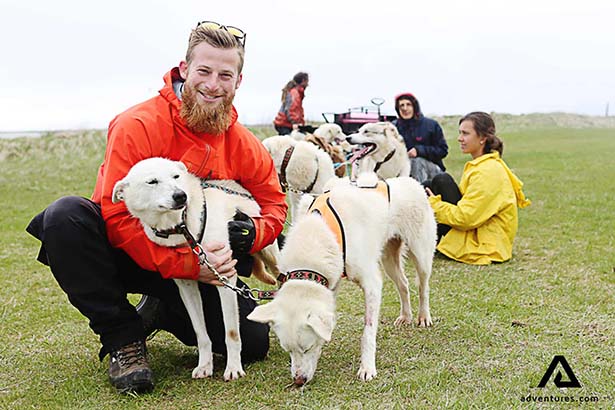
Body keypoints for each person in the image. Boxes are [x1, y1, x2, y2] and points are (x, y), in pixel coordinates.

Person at [25, 21, 287, 393]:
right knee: (66, 218)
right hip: (136, 255)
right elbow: (116, 215)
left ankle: (164, 308)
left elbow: (274, 204)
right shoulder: (137, 124)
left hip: (205, 263)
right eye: (204, 71)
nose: (213, 84)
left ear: (238, 82)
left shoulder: (245, 143)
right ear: (184, 69)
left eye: (225, 75)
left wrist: (254, 233)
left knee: (255, 343)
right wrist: (184, 265)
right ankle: (122, 337)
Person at [424, 112, 531, 265]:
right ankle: (419, 241)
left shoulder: (488, 171)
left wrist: (434, 205)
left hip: (485, 244)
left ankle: (416, 240)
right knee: (431, 184)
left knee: (441, 181)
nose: (459, 138)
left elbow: (466, 218)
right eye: (460, 133)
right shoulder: (483, 165)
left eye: (465, 133)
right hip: (479, 231)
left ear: (482, 138)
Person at [392, 92, 448, 182]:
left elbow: (443, 150)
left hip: (432, 170)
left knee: (416, 162)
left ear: (415, 106)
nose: (405, 108)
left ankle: (419, 192)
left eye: (408, 105)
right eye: (401, 106)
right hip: (402, 170)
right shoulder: (394, 128)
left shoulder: (431, 125)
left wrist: (419, 151)